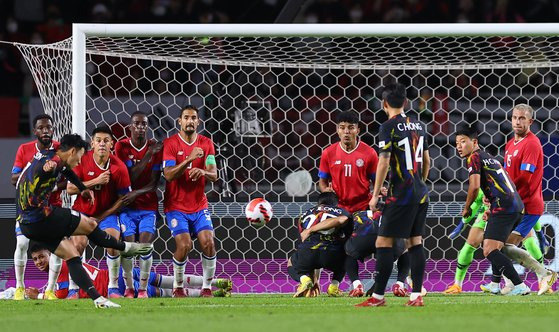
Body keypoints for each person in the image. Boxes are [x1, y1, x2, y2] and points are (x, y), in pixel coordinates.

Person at [15, 133, 152, 308]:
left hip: (27, 226)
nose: (80, 161)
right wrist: (46, 169)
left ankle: (98, 299)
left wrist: (82, 188)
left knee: (72, 256)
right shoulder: (52, 163)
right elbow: (49, 167)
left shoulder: (51, 155)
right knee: (90, 225)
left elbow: (66, 171)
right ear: (73, 151)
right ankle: (127, 247)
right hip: (43, 217)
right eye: (80, 156)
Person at [357, 83, 430, 307]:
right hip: (420, 193)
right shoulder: (419, 125)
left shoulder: (388, 126)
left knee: (383, 241)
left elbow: (384, 161)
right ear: (406, 103)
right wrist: (420, 184)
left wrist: (375, 194)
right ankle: (416, 295)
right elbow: (427, 161)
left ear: (384, 104)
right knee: (415, 242)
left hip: (401, 195)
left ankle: (378, 297)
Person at [483, 104, 557, 295]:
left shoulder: (532, 144)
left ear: (530, 121)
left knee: (504, 246)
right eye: (515, 117)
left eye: (522, 118)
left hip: (528, 205)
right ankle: (504, 282)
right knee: (500, 245)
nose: (518, 121)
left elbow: (524, 177)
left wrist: (501, 195)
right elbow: (507, 176)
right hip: (514, 204)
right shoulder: (510, 144)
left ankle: (544, 273)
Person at [453, 125, 533, 296]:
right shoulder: (490, 157)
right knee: (497, 246)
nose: (459, 146)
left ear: (474, 142)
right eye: (457, 143)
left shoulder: (474, 157)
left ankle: (519, 285)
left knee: (489, 249)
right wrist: (491, 203)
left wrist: (467, 208)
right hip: (515, 205)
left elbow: (474, 187)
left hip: (504, 206)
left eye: (462, 142)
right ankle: (495, 284)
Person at [67, 126, 134, 298]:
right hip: (82, 212)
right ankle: (73, 289)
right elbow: (70, 188)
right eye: (98, 141)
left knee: (113, 242)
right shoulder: (82, 160)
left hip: (106, 215)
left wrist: (101, 217)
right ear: (92, 143)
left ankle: (112, 288)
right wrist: (95, 181)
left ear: (112, 144)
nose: (102, 144)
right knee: (77, 245)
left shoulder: (119, 167)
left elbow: (123, 199)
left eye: (106, 141)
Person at [317, 110, 379, 296]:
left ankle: (386, 282)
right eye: (342, 128)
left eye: (350, 128)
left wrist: (378, 192)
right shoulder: (328, 153)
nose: (346, 132)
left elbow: (377, 181)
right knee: (341, 248)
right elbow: (322, 182)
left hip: (363, 209)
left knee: (376, 246)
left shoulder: (369, 153)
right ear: (337, 130)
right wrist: (326, 191)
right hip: (340, 211)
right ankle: (328, 284)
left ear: (358, 130)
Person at [23, 244, 232, 299]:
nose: (40, 261)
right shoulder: (67, 261)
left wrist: (39, 294)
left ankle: (214, 290)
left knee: (165, 291)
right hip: (117, 276)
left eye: (42, 256)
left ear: (51, 255)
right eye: (35, 259)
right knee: (166, 281)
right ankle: (215, 284)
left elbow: (61, 294)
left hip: (115, 287)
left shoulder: (63, 268)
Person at [163, 105, 219, 297]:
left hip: (198, 205)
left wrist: (203, 170)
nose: (190, 121)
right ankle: (178, 287)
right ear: (179, 121)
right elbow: (168, 175)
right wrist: (189, 160)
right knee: (184, 245)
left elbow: (214, 174)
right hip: (175, 206)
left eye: (193, 118)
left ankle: (206, 288)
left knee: (208, 243)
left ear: (198, 122)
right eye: (186, 117)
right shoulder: (170, 144)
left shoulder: (206, 143)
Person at [10, 114, 63, 300]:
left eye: (48, 127)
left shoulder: (59, 149)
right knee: (22, 243)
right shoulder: (24, 150)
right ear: (35, 131)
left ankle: (50, 290)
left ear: (53, 129)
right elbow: (13, 179)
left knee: (57, 248)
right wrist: (34, 174)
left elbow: (67, 179)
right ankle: (19, 287)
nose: (45, 130)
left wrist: (52, 184)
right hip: (27, 207)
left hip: (52, 206)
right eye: (41, 127)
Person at [115, 111, 163, 298]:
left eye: (144, 124)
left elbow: (154, 183)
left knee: (144, 246)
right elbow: (127, 176)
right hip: (127, 208)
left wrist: (136, 192)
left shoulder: (155, 148)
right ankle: (128, 287)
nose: (140, 127)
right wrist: (147, 156)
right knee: (128, 247)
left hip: (148, 207)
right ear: (130, 126)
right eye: (137, 124)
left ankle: (142, 289)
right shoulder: (122, 146)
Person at [288, 192, 351, 297]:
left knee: (291, 261)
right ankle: (334, 286)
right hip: (333, 255)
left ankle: (304, 279)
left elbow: (305, 241)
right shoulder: (342, 212)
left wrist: (314, 279)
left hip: (309, 253)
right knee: (348, 255)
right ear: (336, 204)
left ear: (318, 203)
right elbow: (343, 221)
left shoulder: (304, 215)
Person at [443, 191, 488, 294]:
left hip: (504, 215)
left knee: (497, 249)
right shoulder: (483, 183)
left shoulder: (504, 180)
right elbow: (476, 203)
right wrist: (462, 223)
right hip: (485, 214)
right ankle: (457, 285)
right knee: (469, 246)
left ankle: (508, 284)